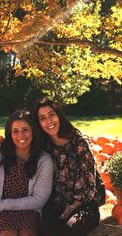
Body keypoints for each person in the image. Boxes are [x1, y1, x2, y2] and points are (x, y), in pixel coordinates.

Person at [33, 98, 101, 236]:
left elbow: (89, 184)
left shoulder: (79, 143)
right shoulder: (44, 148)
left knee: (68, 230)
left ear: (58, 115)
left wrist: (73, 206)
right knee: (43, 229)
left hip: (83, 205)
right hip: (56, 205)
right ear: (39, 123)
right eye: (42, 118)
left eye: (51, 114)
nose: (49, 121)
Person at [0, 109, 53, 236]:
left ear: (33, 131)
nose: (21, 136)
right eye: (15, 131)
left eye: (25, 130)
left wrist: (3, 204)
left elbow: (39, 199)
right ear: (9, 133)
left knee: (27, 234)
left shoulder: (43, 160)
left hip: (28, 210)